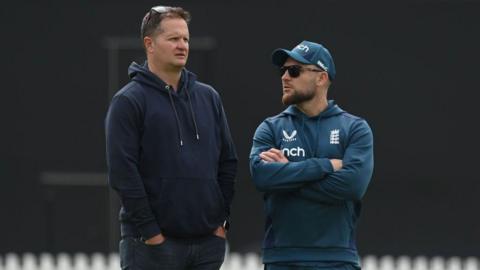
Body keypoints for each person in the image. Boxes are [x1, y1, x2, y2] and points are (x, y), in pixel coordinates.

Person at [105, 6, 237, 270]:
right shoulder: (128, 101)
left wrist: (220, 224)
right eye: (173, 39)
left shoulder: (208, 97)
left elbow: (228, 162)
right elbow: (123, 174)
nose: (182, 45)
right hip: (151, 247)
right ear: (149, 44)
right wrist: (152, 233)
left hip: (206, 247)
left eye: (186, 39)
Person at [249, 40, 374, 270]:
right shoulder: (270, 128)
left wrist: (287, 174)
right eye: (283, 70)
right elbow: (262, 177)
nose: (285, 77)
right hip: (282, 259)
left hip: (337, 259)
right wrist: (324, 166)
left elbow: (352, 186)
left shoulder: (355, 128)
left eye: (294, 70)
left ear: (321, 78)